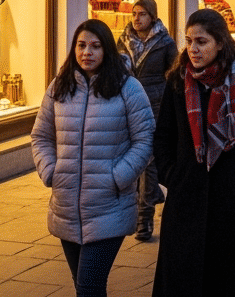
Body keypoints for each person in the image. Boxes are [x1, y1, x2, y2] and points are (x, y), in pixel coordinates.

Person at [152, 9, 235, 297]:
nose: (193, 49)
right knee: (186, 280)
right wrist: (173, 176)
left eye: (201, 41)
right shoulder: (177, 83)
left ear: (220, 42)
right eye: (189, 41)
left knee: (234, 282)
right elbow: (162, 138)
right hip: (188, 203)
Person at [31, 19, 155, 297]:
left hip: (108, 207)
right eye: (81, 45)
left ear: (107, 50)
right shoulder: (60, 86)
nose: (87, 52)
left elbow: (145, 140)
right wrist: (51, 171)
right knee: (84, 287)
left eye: (95, 46)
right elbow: (40, 135)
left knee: (88, 288)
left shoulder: (128, 88)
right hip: (66, 207)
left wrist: (119, 177)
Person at [117, 0, 178, 240]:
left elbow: (174, 74)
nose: (137, 18)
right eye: (134, 13)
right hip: (128, 103)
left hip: (155, 104)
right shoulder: (123, 41)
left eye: (142, 14)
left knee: (148, 161)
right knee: (132, 158)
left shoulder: (164, 42)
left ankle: (144, 218)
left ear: (152, 16)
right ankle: (140, 206)